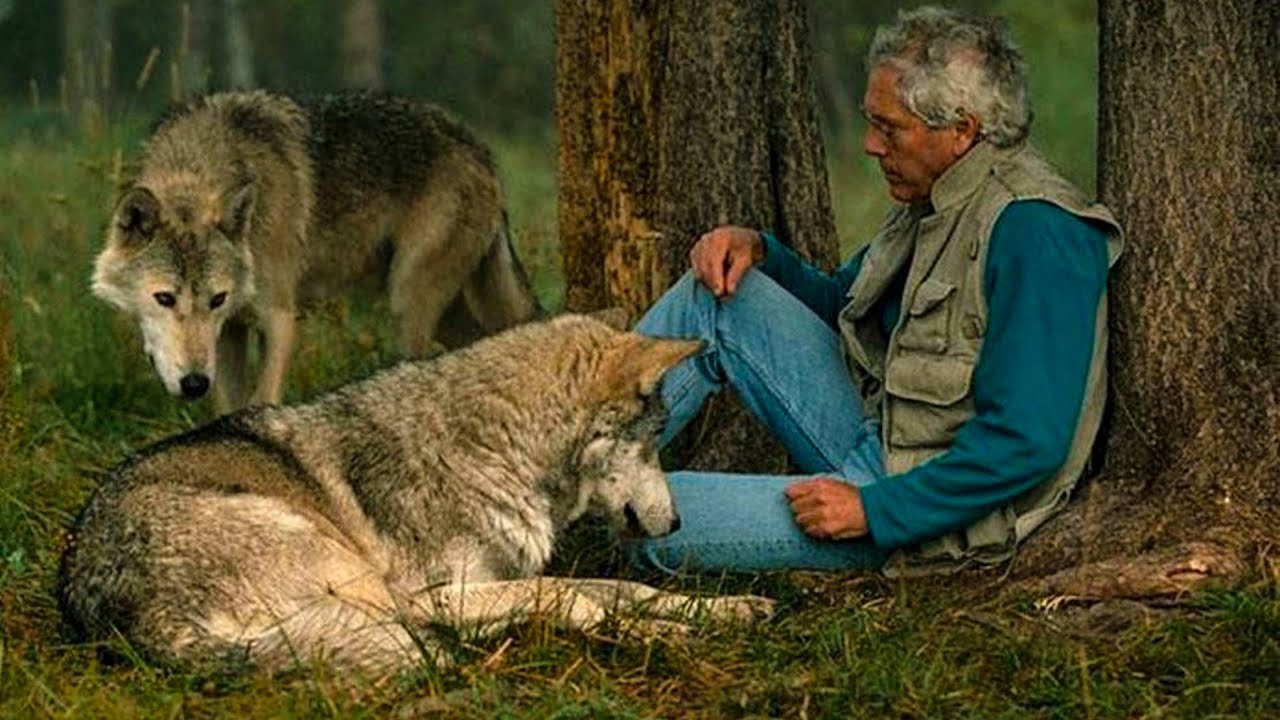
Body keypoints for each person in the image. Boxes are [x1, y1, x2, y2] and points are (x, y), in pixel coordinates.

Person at [627, 6, 1123, 576]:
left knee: (652, 519)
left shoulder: (1036, 231)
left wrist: (873, 509)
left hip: (923, 507)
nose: (869, 144)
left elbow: (1027, 441)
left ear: (962, 129)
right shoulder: (939, 190)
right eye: (871, 122)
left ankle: (559, 508)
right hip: (878, 431)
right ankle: (540, 470)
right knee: (712, 297)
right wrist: (761, 254)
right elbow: (848, 307)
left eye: (889, 128)